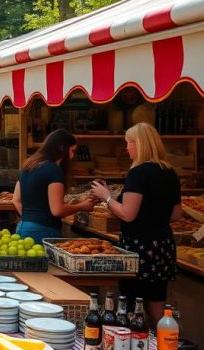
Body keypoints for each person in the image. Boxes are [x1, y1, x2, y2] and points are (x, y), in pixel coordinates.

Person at [91, 122, 182, 327]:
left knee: (131, 307)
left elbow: (127, 214)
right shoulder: (169, 172)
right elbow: (177, 213)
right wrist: (154, 216)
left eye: (128, 143)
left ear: (139, 144)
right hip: (163, 247)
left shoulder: (138, 173)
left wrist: (106, 197)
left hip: (138, 248)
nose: (126, 148)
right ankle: (164, 347)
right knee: (157, 304)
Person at [13, 129, 97, 244]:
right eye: (72, 151)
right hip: (43, 231)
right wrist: (82, 206)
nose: (72, 156)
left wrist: (31, 219)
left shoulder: (28, 166)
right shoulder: (53, 170)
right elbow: (57, 210)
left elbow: (16, 200)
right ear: (62, 148)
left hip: (23, 228)